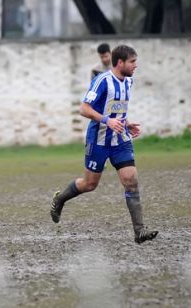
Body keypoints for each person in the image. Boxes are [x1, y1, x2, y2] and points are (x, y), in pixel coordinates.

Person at [50, 45, 158, 244]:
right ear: (120, 62)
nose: (136, 65)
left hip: (120, 139)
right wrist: (107, 121)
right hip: (98, 140)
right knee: (90, 184)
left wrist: (125, 123)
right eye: (132, 61)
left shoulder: (128, 82)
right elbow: (84, 109)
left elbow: (116, 110)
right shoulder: (101, 81)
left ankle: (139, 231)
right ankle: (60, 199)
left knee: (131, 179)